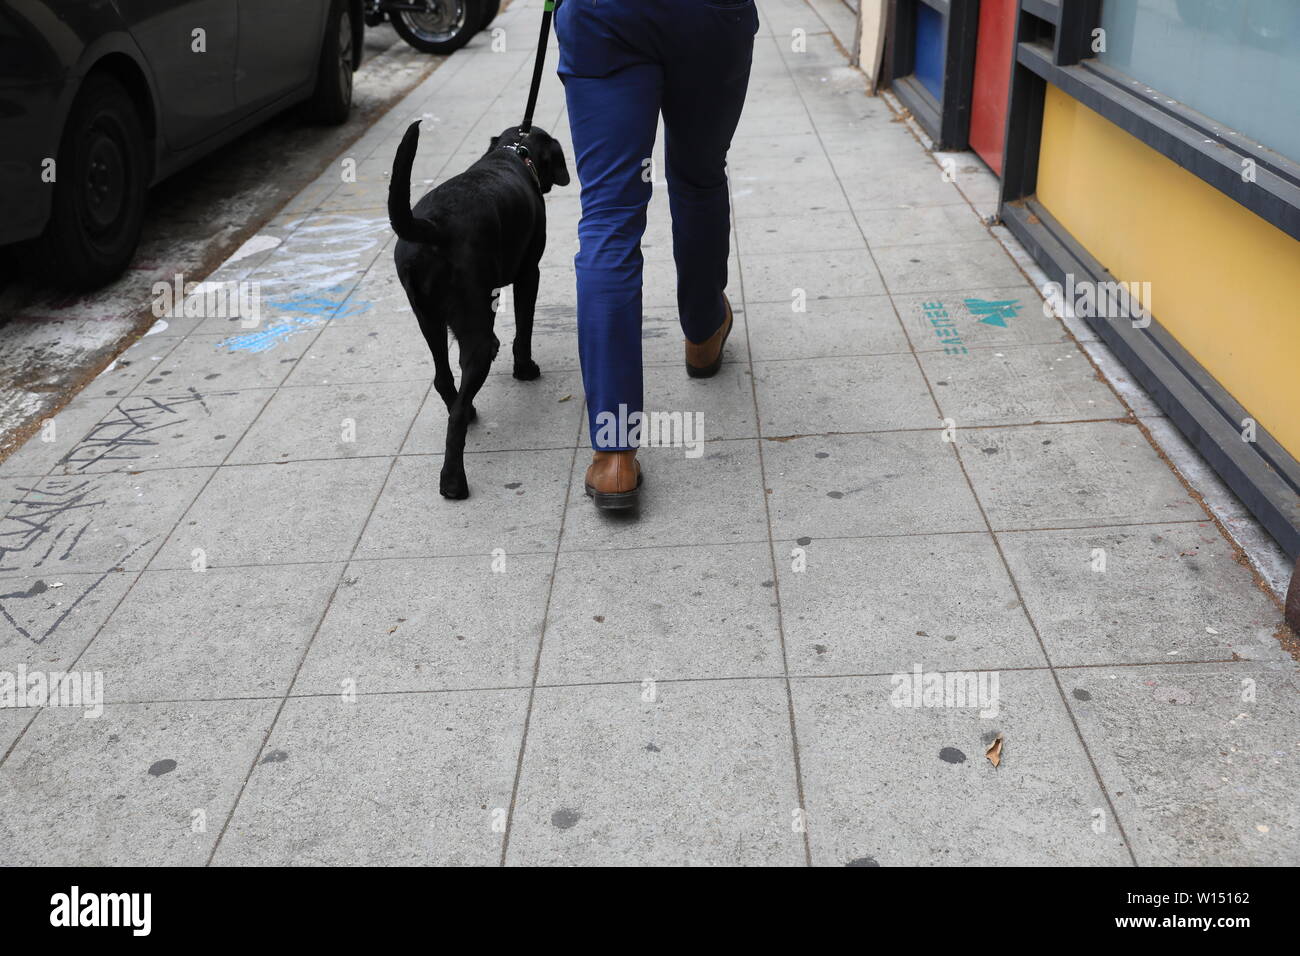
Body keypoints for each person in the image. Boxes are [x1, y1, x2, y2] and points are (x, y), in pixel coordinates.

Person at [554, 0, 759, 511]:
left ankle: (614, 455)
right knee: (698, 176)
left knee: (609, 216)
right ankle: (704, 332)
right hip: (708, 16)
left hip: (605, 15)